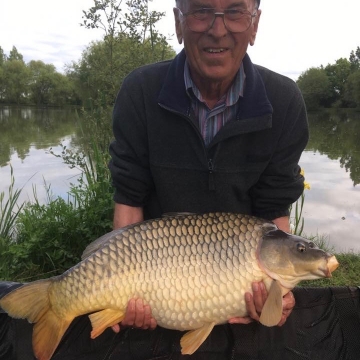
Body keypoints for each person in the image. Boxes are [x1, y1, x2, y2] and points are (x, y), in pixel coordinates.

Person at [108, 0, 307, 337]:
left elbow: (274, 211)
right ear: (178, 23)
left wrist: (278, 292)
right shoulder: (139, 91)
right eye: (201, 11)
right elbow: (129, 198)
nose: (218, 30)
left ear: (254, 25)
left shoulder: (284, 102)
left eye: (235, 12)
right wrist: (121, 284)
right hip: (157, 279)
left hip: (237, 284)